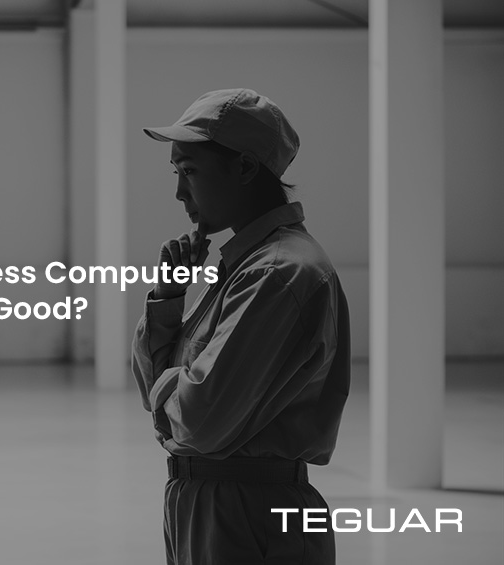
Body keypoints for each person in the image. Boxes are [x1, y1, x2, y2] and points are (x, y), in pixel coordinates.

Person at [131, 88, 351, 564]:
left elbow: (200, 422)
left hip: (250, 515)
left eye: (189, 171)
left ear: (247, 168)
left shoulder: (278, 273)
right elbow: (166, 394)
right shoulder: (247, 265)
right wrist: (170, 298)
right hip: (210, 501)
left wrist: (171, 398)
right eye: (176, 173)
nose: (179, 192)